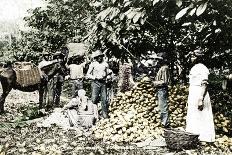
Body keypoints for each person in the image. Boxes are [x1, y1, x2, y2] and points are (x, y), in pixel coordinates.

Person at [186, 49, 215, 142]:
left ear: (199, 58)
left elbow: (204, 84)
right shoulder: (195, 67)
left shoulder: (202, 68)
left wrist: (201, 98)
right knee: (194, 115)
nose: (191, 58)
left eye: (193, 56)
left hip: (199, 93)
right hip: (193, 93)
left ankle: (204, 137)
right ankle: (194, 136)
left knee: (202, 114)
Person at [86, 50, 109, 118]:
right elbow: (88, 74)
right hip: (95, 82)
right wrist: (94, 77)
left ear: (102, 57)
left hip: (103, 83)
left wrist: (107, 77)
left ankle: (105, 114)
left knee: (104, 99)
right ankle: (94, 114)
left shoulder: (105, 64)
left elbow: (108, 73)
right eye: (98, 57)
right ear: (96, 57)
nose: (99, 58)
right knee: (94, 99)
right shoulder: (93, 64)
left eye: (100, 56)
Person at [153, 52, 170, 128]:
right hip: (160, 89)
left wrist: (154, 83)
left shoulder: (164, 68)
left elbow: (165, 82)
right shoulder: (161, 68)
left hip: (162, 89)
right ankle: (163, 122)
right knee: (160, 106)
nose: (157, 61)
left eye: (159, 60)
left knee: (163, 107)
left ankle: (165, 123)